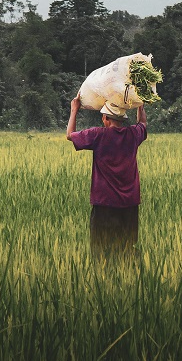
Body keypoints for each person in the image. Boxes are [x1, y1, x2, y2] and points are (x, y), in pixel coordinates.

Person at [66, 91, 147, 257]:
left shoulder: (98, 135)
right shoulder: (133, 134)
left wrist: (74, 109)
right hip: (130, 203)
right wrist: (140, 105)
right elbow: (143, 123)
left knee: (101, 249)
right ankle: (130, 279)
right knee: (127, 248)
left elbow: (70, 135)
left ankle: (104, 279)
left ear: (106, 119)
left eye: (103, 116)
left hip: (104, 203)